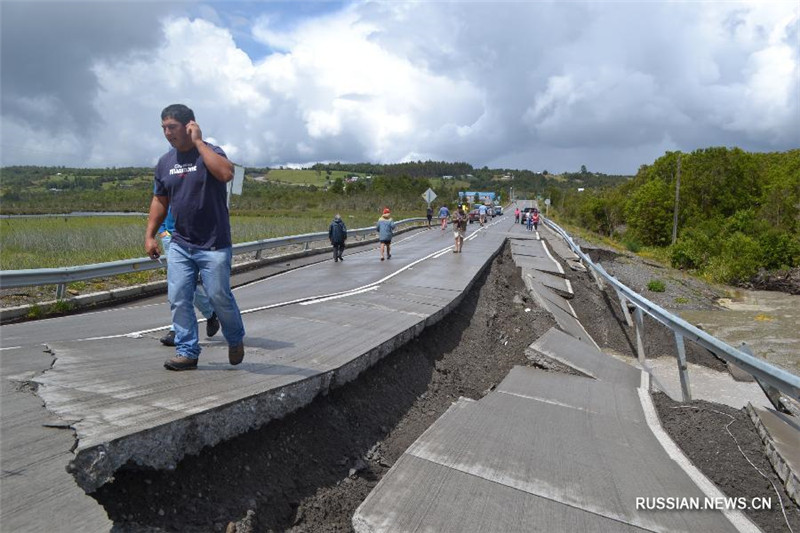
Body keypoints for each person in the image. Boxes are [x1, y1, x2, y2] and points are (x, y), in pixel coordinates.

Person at [145, 103, 246, 371]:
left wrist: (199, 142)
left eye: (172, 127)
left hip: (214, 243)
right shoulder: (165, 162)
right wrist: (150, 235)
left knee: (218, 295)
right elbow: (159, 199)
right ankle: (187, 351)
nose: (167, 133)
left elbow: (225, 174)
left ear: (190, 125)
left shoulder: (211, 152)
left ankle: (235, 338)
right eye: (164, 128)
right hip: (180, 242)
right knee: (178, 296)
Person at [158, 206, 219, 346]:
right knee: (181, 284)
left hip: (193, 239)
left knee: (182, 284)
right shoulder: (168, 183)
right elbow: (160, 202)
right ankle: (210, 313)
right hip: (170, 238)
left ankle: (177, 331)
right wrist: (162, 231)